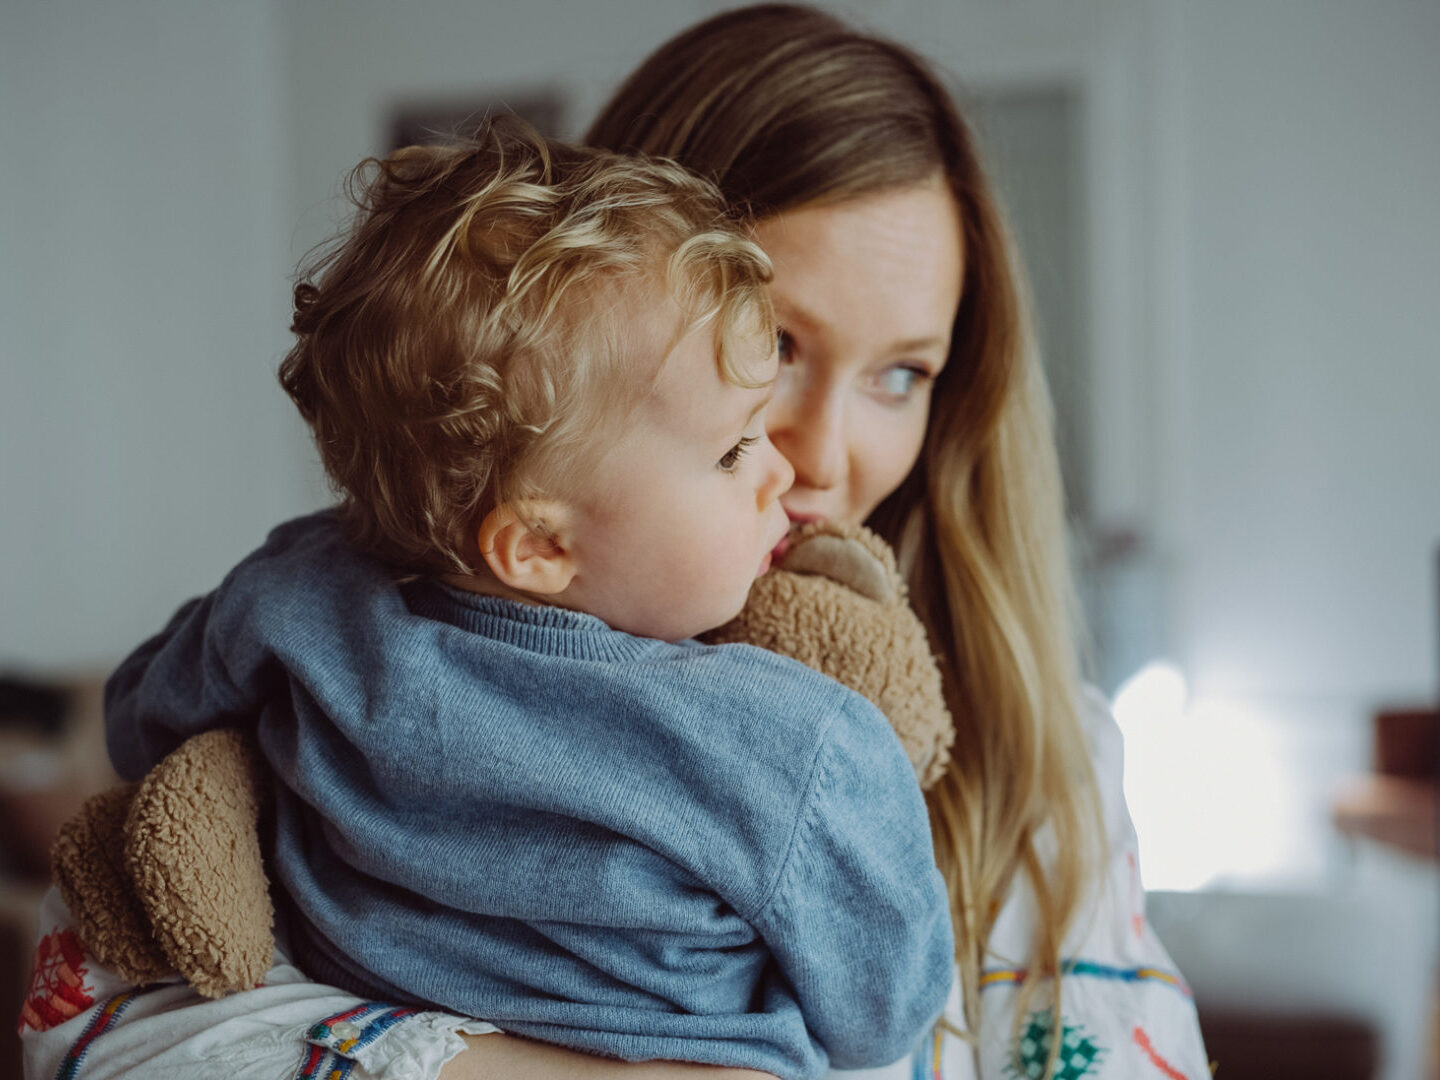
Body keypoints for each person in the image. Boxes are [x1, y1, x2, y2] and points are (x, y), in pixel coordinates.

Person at [20, 5, 1209, 1079]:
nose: (824, 456)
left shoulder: (1047, 767)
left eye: (904, 373)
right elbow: (97, 1030)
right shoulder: (325, 624)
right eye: (775, 348)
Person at [87, 118, 954, 1080]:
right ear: (539, 542)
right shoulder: (795, 744)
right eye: (733, 448)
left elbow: (140, 718)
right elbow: (887, 1015)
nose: (785, 472)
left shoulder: (300, 595)